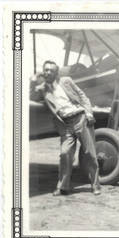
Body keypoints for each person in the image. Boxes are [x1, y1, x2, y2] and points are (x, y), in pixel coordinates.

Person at [30, 60, 101, 196]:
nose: (48, 72)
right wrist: (34, 81)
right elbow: (31, 97)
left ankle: (95, 185)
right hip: (65, 125)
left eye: (51, 70)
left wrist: (89, 113)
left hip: (80, 119)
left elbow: (82, 96)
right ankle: (63, 187)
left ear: (56, 72)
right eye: (46, 70)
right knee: (65, 154)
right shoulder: (43, 89)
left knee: (90, 154)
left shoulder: (66, 81)